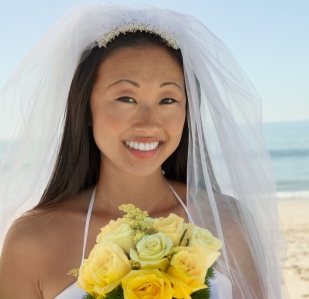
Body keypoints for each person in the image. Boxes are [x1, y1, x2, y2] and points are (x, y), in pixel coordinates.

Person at [0, 2, 287, 299]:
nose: (149, 123)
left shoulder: (228, 222)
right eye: (126, 98)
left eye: (168, 100)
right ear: (85, 108)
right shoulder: (31, 243)